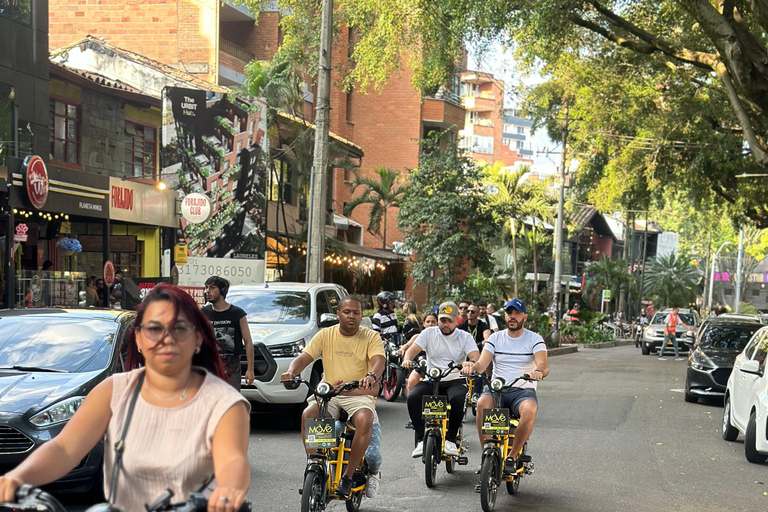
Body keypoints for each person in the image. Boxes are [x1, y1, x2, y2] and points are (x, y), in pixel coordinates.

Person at [0, 284, 251, 511]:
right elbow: (65, 448)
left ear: (197, 338)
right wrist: (17, 478)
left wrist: (229, 491)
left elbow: (233, 460)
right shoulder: (113, 390)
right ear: (139, 339)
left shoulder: (224, 402)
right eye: (154, 329)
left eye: (179, 329)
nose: (166, 340)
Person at [281, 296, 385, 498]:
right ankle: (316, 463)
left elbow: (378, 361)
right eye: (347, 312)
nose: (351, 316)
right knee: (308, 414)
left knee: (365, 419)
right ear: (338, 314)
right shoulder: (325, 335)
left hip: (357, 393)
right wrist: (291, 372)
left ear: (361, 315)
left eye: (356, 312)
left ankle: (348, 476)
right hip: (331, 393)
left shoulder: (371, 336)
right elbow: (303, 358)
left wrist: (371, 375)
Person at [462, 298, 548, 484]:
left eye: (517, 313)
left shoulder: (534, 339)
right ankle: (487, 450)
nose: (512, 317)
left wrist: (539, 372)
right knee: (482, 404)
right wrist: (472, 368)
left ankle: (512, 456)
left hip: (522, 391)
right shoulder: (495, 338)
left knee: (530, 409)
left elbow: (542, 363)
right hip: (497, 389)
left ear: (524, 316)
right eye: (509, 313)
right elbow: (482, 363)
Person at [403, 302, 480, 458]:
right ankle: (420, 440)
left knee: (459, 398)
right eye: (442, 320)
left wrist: (469, 363)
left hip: (455, 380)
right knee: (413, 397)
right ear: (438, 319)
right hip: (433, 379)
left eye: (449, 321)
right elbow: (411, 351)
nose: (445, 324)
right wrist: (407, 359)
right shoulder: (428, 333)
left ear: (457, 320)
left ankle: (451, 439)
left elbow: (475, 356)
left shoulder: (464, 336)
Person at [202, 276, 255, 389]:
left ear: (222, 290)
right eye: (206, 287)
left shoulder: (237, 313)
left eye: (212, 288)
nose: (207, 291)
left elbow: (248, 342)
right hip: (210, 364)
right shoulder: (203, 312)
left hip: (232, 365)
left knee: (231, 401)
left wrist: (250, 370)